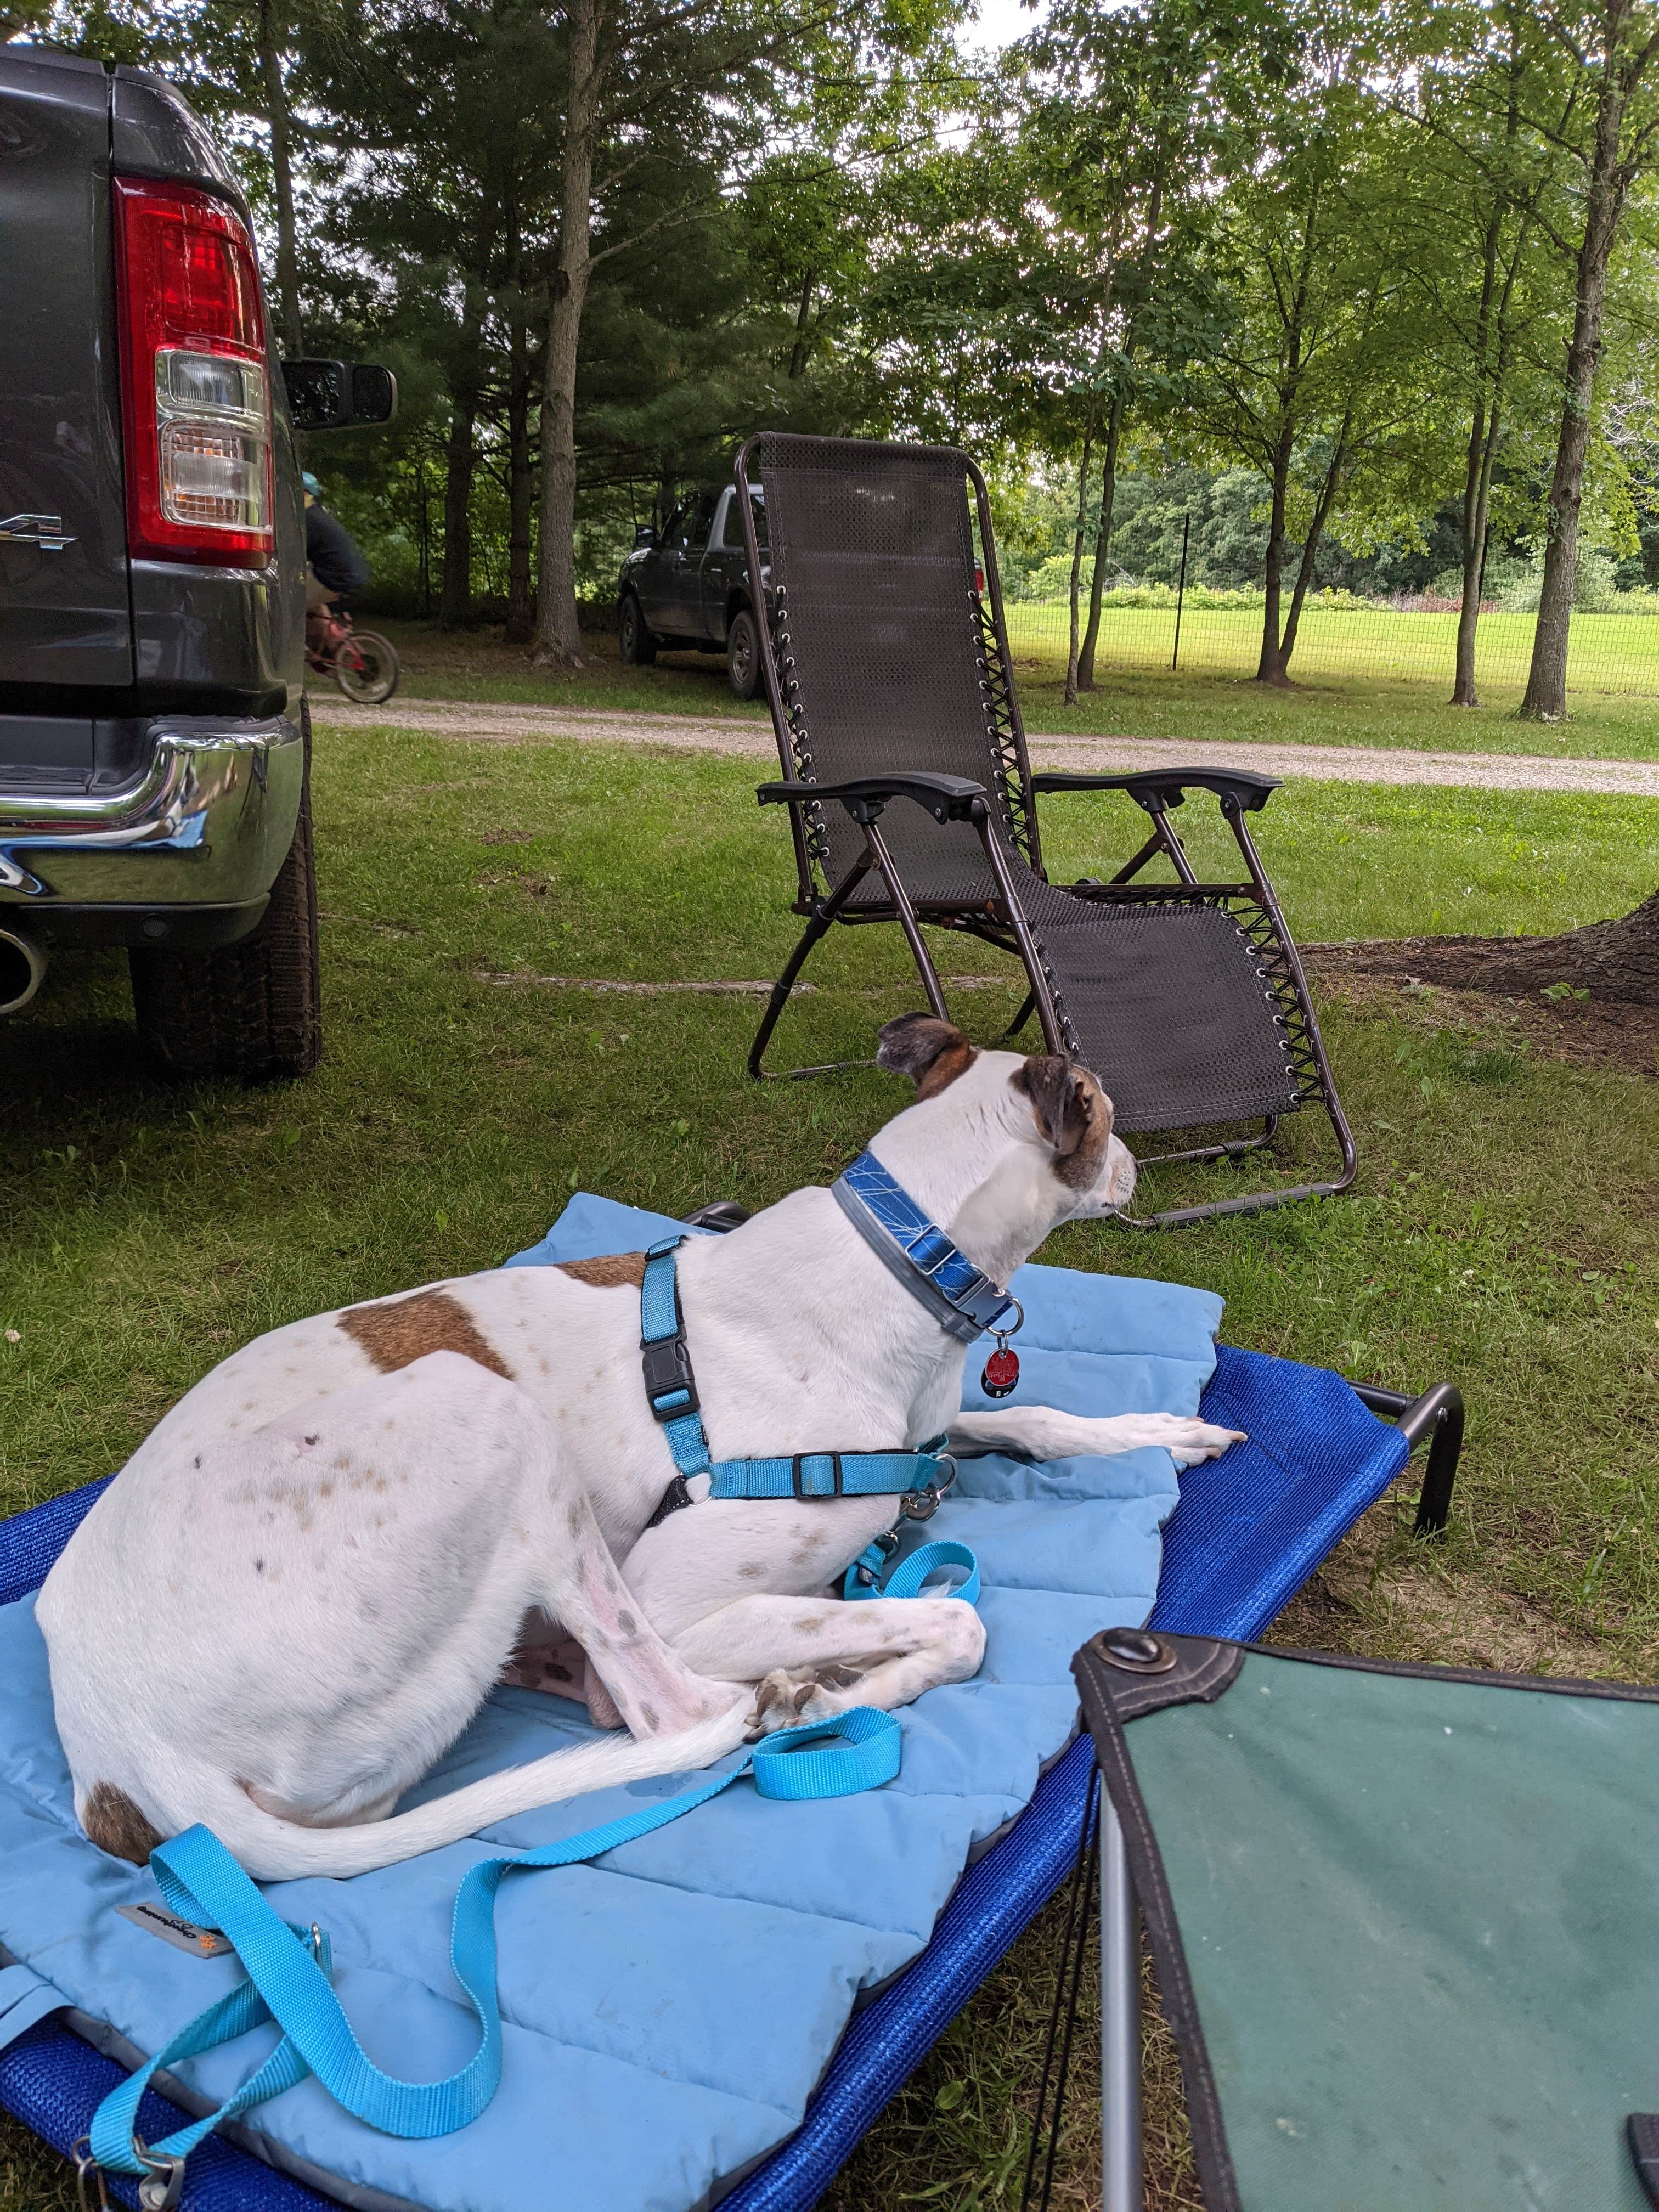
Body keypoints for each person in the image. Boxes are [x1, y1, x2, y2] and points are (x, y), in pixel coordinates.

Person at [302, 472, 370, 627]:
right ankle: (329, 642)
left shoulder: (308, 517)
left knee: (292, 600)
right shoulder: (319, 514)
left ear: (303, 492)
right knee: (313, 600)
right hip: (353, 575)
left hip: (336, 578)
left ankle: (323, 642)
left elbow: (297, 553)